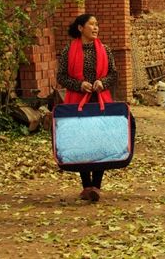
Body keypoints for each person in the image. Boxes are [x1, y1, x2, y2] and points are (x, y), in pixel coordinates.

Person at [57, 13, 118, 202]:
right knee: (81, 142)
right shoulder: (69, 50)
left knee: (100, 142)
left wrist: (102, 82)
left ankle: (96, 186)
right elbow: (61, 76)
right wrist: (79, 85)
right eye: (91, 24)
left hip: (100, 101)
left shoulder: (105, 50)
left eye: (97, 24)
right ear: (80, 28)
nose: (96, 27)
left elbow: (113, 74)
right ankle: (86, 185)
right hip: (77, 102)